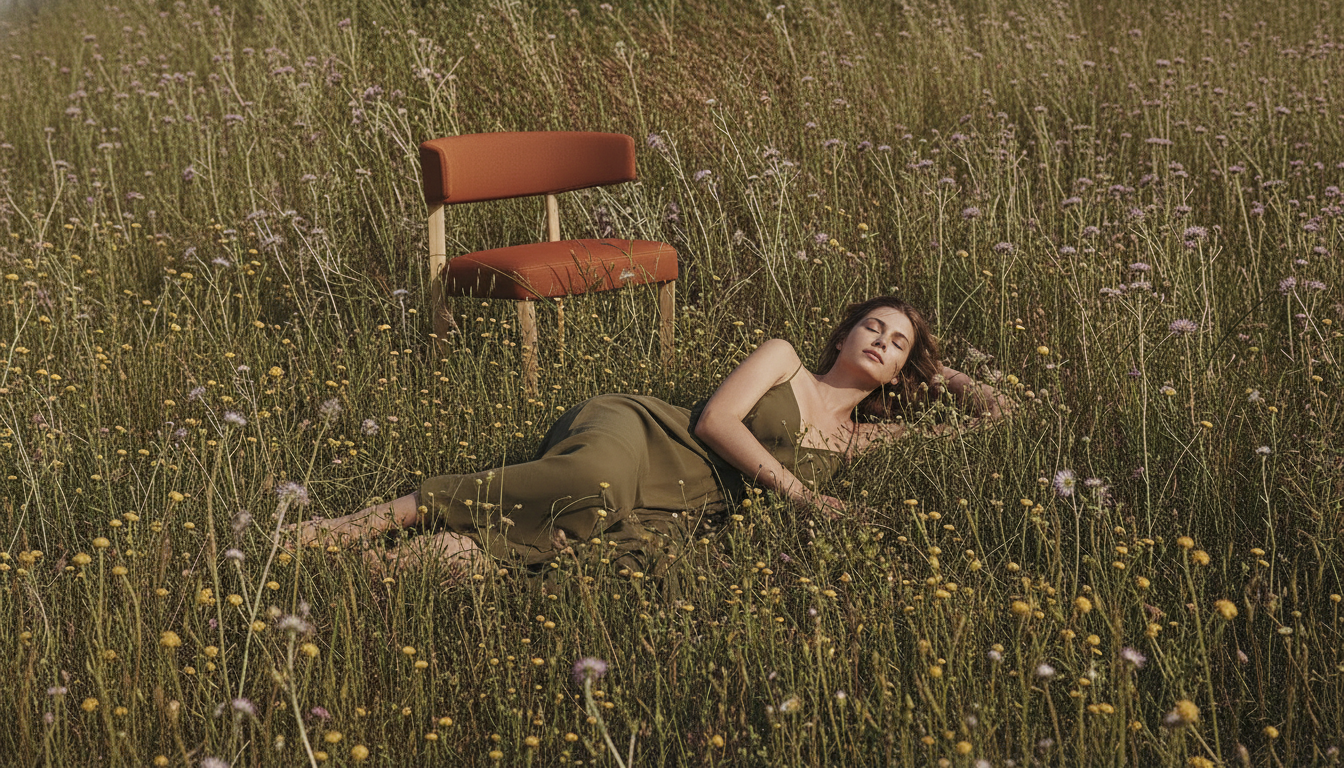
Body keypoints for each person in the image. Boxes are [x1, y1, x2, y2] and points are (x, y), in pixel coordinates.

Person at [284, 295, 1013, 579]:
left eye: (897, 344)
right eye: (873, 326)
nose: (881, 341)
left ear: (897, 375)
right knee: (589, 484)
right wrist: (801, 495)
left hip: (677, 510)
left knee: (598, 555)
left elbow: (1004, 420)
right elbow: (713, 422)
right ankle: (359, 523)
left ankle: (419, 561)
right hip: (640, 432)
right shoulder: (784, 357)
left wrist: (946, 376)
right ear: (846, 331)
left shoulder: (864, 444)